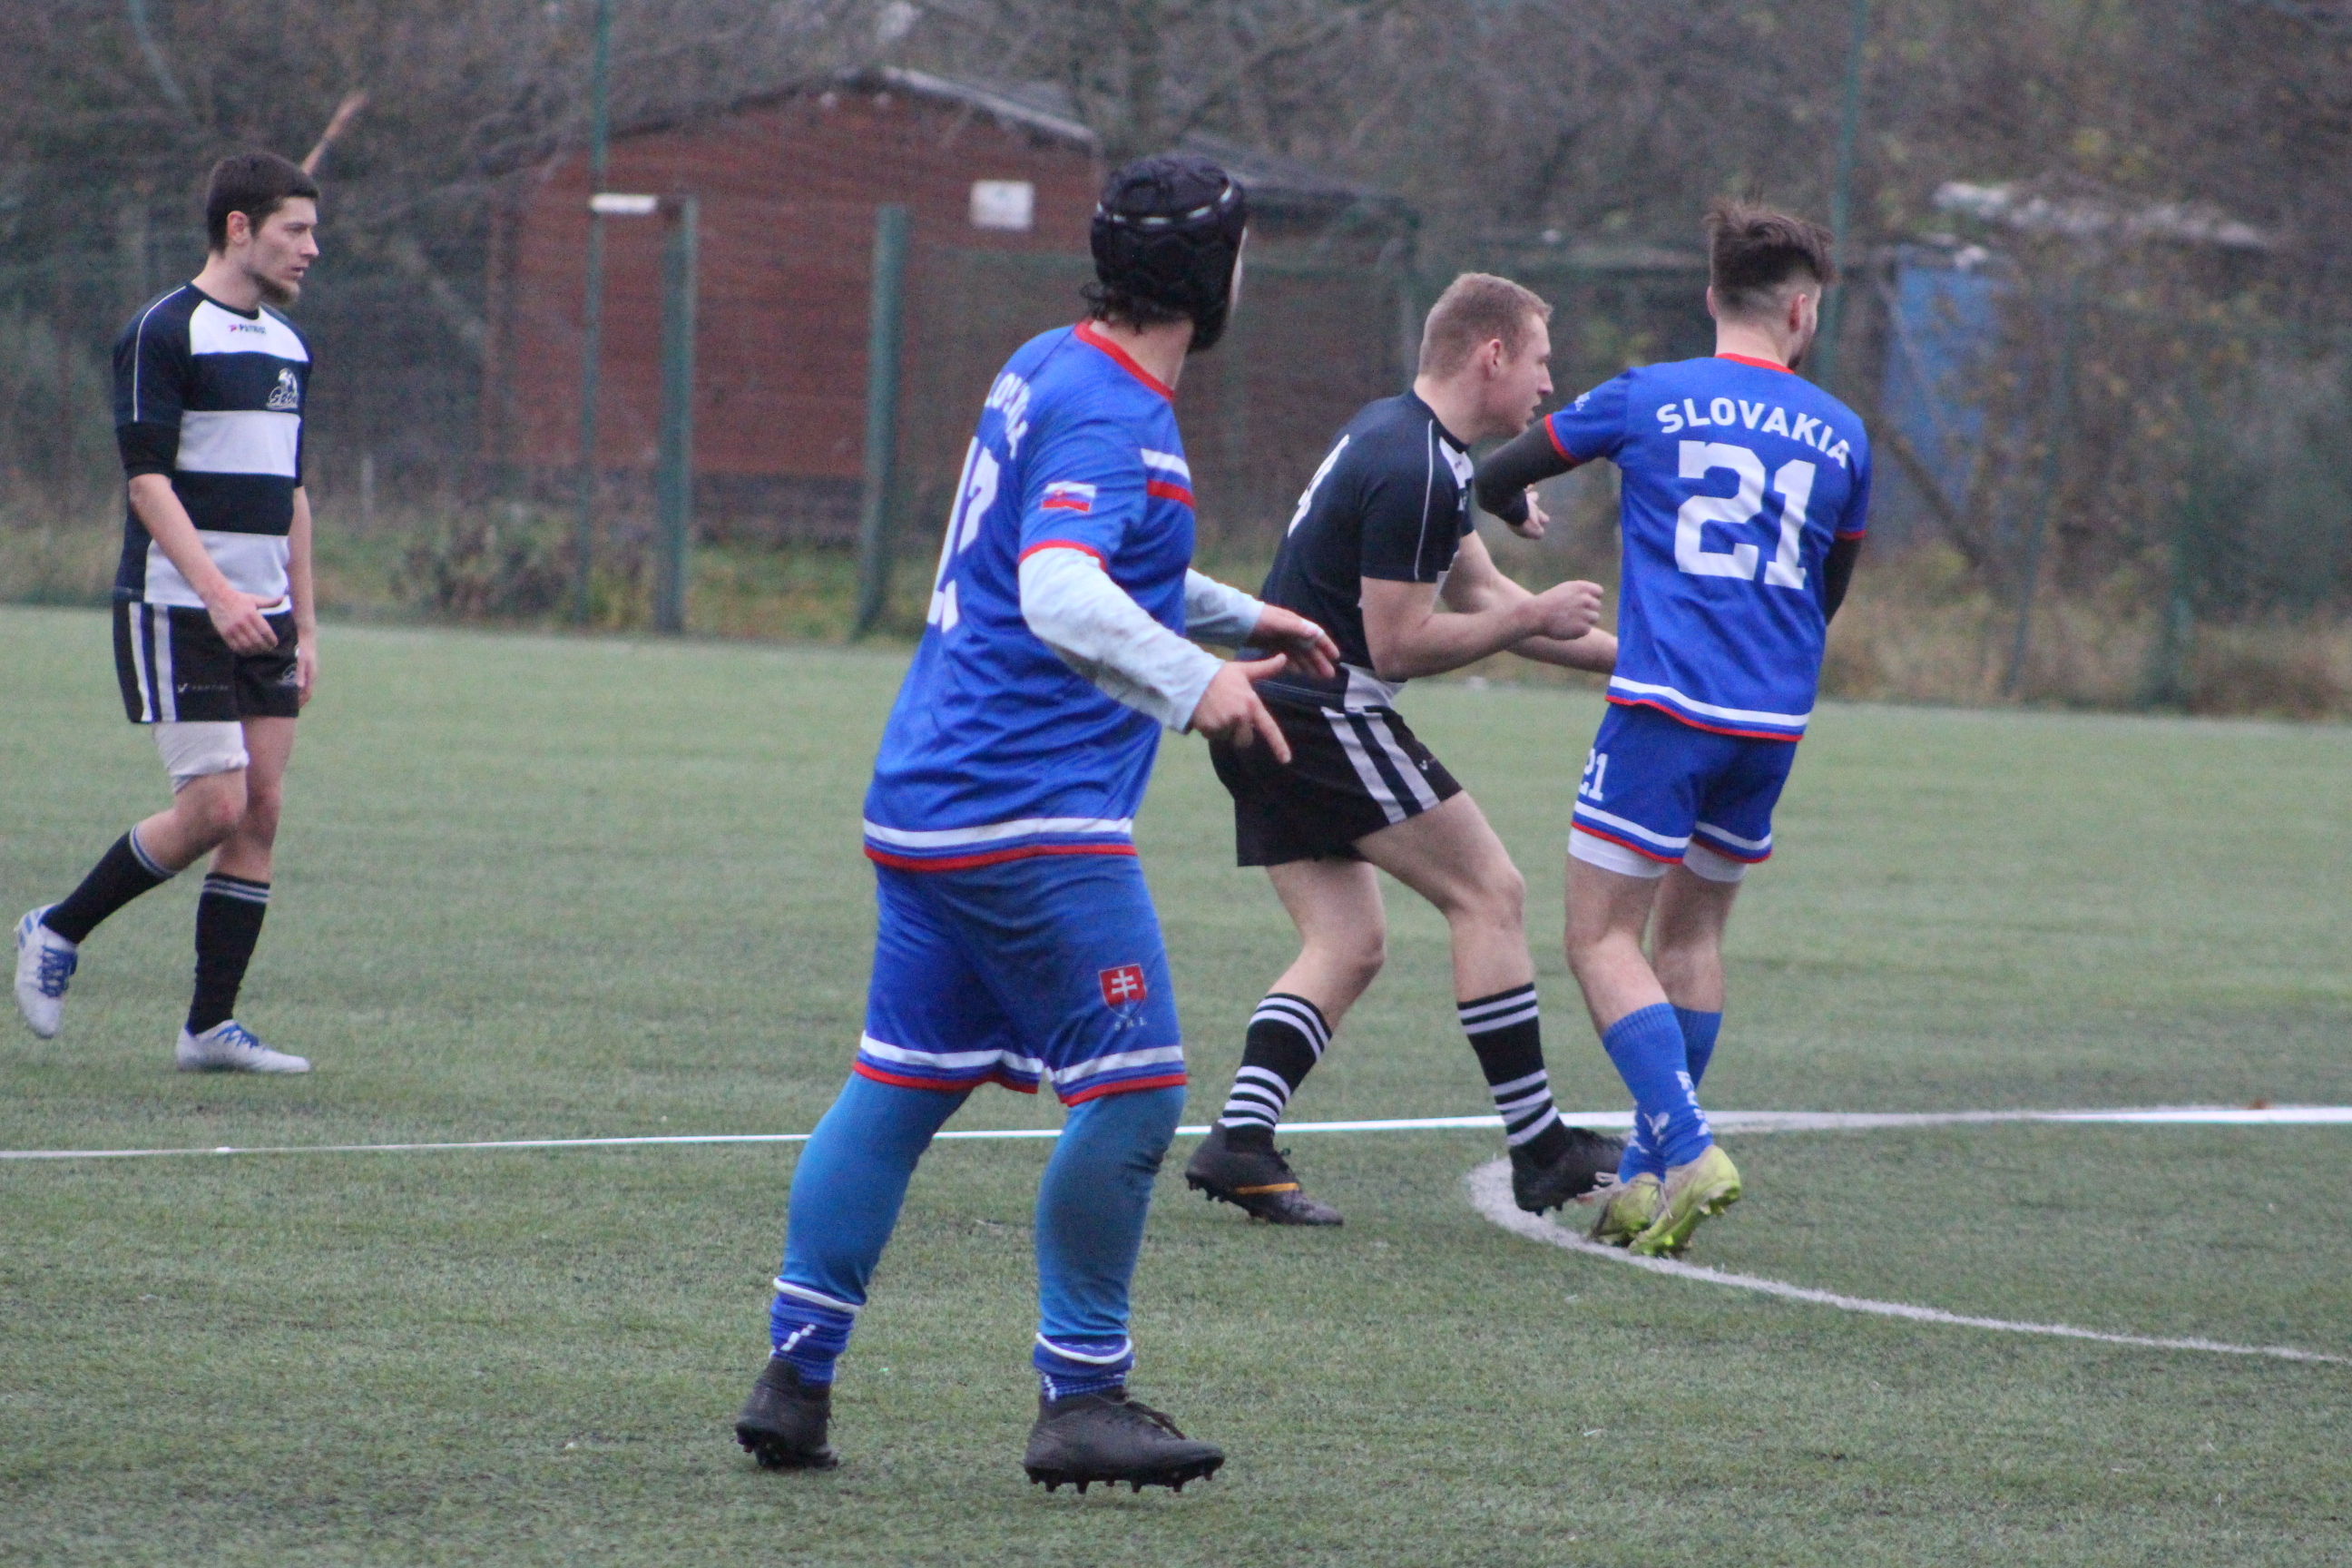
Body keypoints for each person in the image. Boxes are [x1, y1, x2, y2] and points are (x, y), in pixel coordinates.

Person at [734, 154, 1338, 1491]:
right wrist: (1200, 685)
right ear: (1213, 274)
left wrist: (1241, 616)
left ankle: (796, 1376)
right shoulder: (1116, 412)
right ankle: (1083, 1395)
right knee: (1139, 1093)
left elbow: (1096, 558)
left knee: (900, 1084)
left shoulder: (1050, 364)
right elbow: (1060, 589)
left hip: (931, 798)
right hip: (1028, 814)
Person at [1181, 273, 1624, 1229]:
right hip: (1319, 713)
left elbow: (1490, 603)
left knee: (1348, 943)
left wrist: (1633, 663)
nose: (1549, 384)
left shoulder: (1409, 440)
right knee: (1490, 894)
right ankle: (1542, 1147)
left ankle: (1240, 1142)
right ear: (1492, 355)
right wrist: (1536, 618)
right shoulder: (1419, 468)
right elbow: (1398, 646)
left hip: (1266, 711)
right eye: (1541, 360)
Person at [1473, 200, 1871, 1258]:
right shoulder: (1844, 434)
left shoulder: (1648, 394)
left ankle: (1688, 1148)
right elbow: (1827, 588)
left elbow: (1499, 471)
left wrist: (1513, 511)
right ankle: (1647, 1180)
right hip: (1770, 723)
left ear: (1711, 298)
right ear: (1802, 311)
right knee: (1689, 940)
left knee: (1599, 938)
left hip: (1663, 709)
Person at [14, 152, 323, 1074]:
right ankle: (57, 927)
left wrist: (306, 625)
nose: (312, 248)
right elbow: (146, 484)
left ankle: (208, 1029)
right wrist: (219, 595)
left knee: (260, 811)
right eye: (296, 230)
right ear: (239, 228)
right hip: (179, 606)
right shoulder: (163, 330)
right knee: (215, 805)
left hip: (265, 614)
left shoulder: (290, 346)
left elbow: (292, 494)